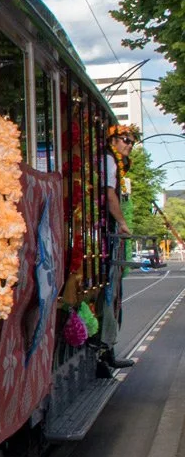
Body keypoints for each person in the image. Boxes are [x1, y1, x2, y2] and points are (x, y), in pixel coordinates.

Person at [99, 125, 138, 371]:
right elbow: (109, 195)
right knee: (110, 289)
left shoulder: (113, 162)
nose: (129, 145)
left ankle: (108, 350)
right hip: (106, 232)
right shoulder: (109, 161)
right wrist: (122, 223)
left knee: (113, 290)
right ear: (113, 139)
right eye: (126, 140)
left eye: (132, 142)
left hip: (108, 232)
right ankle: (106, 351)